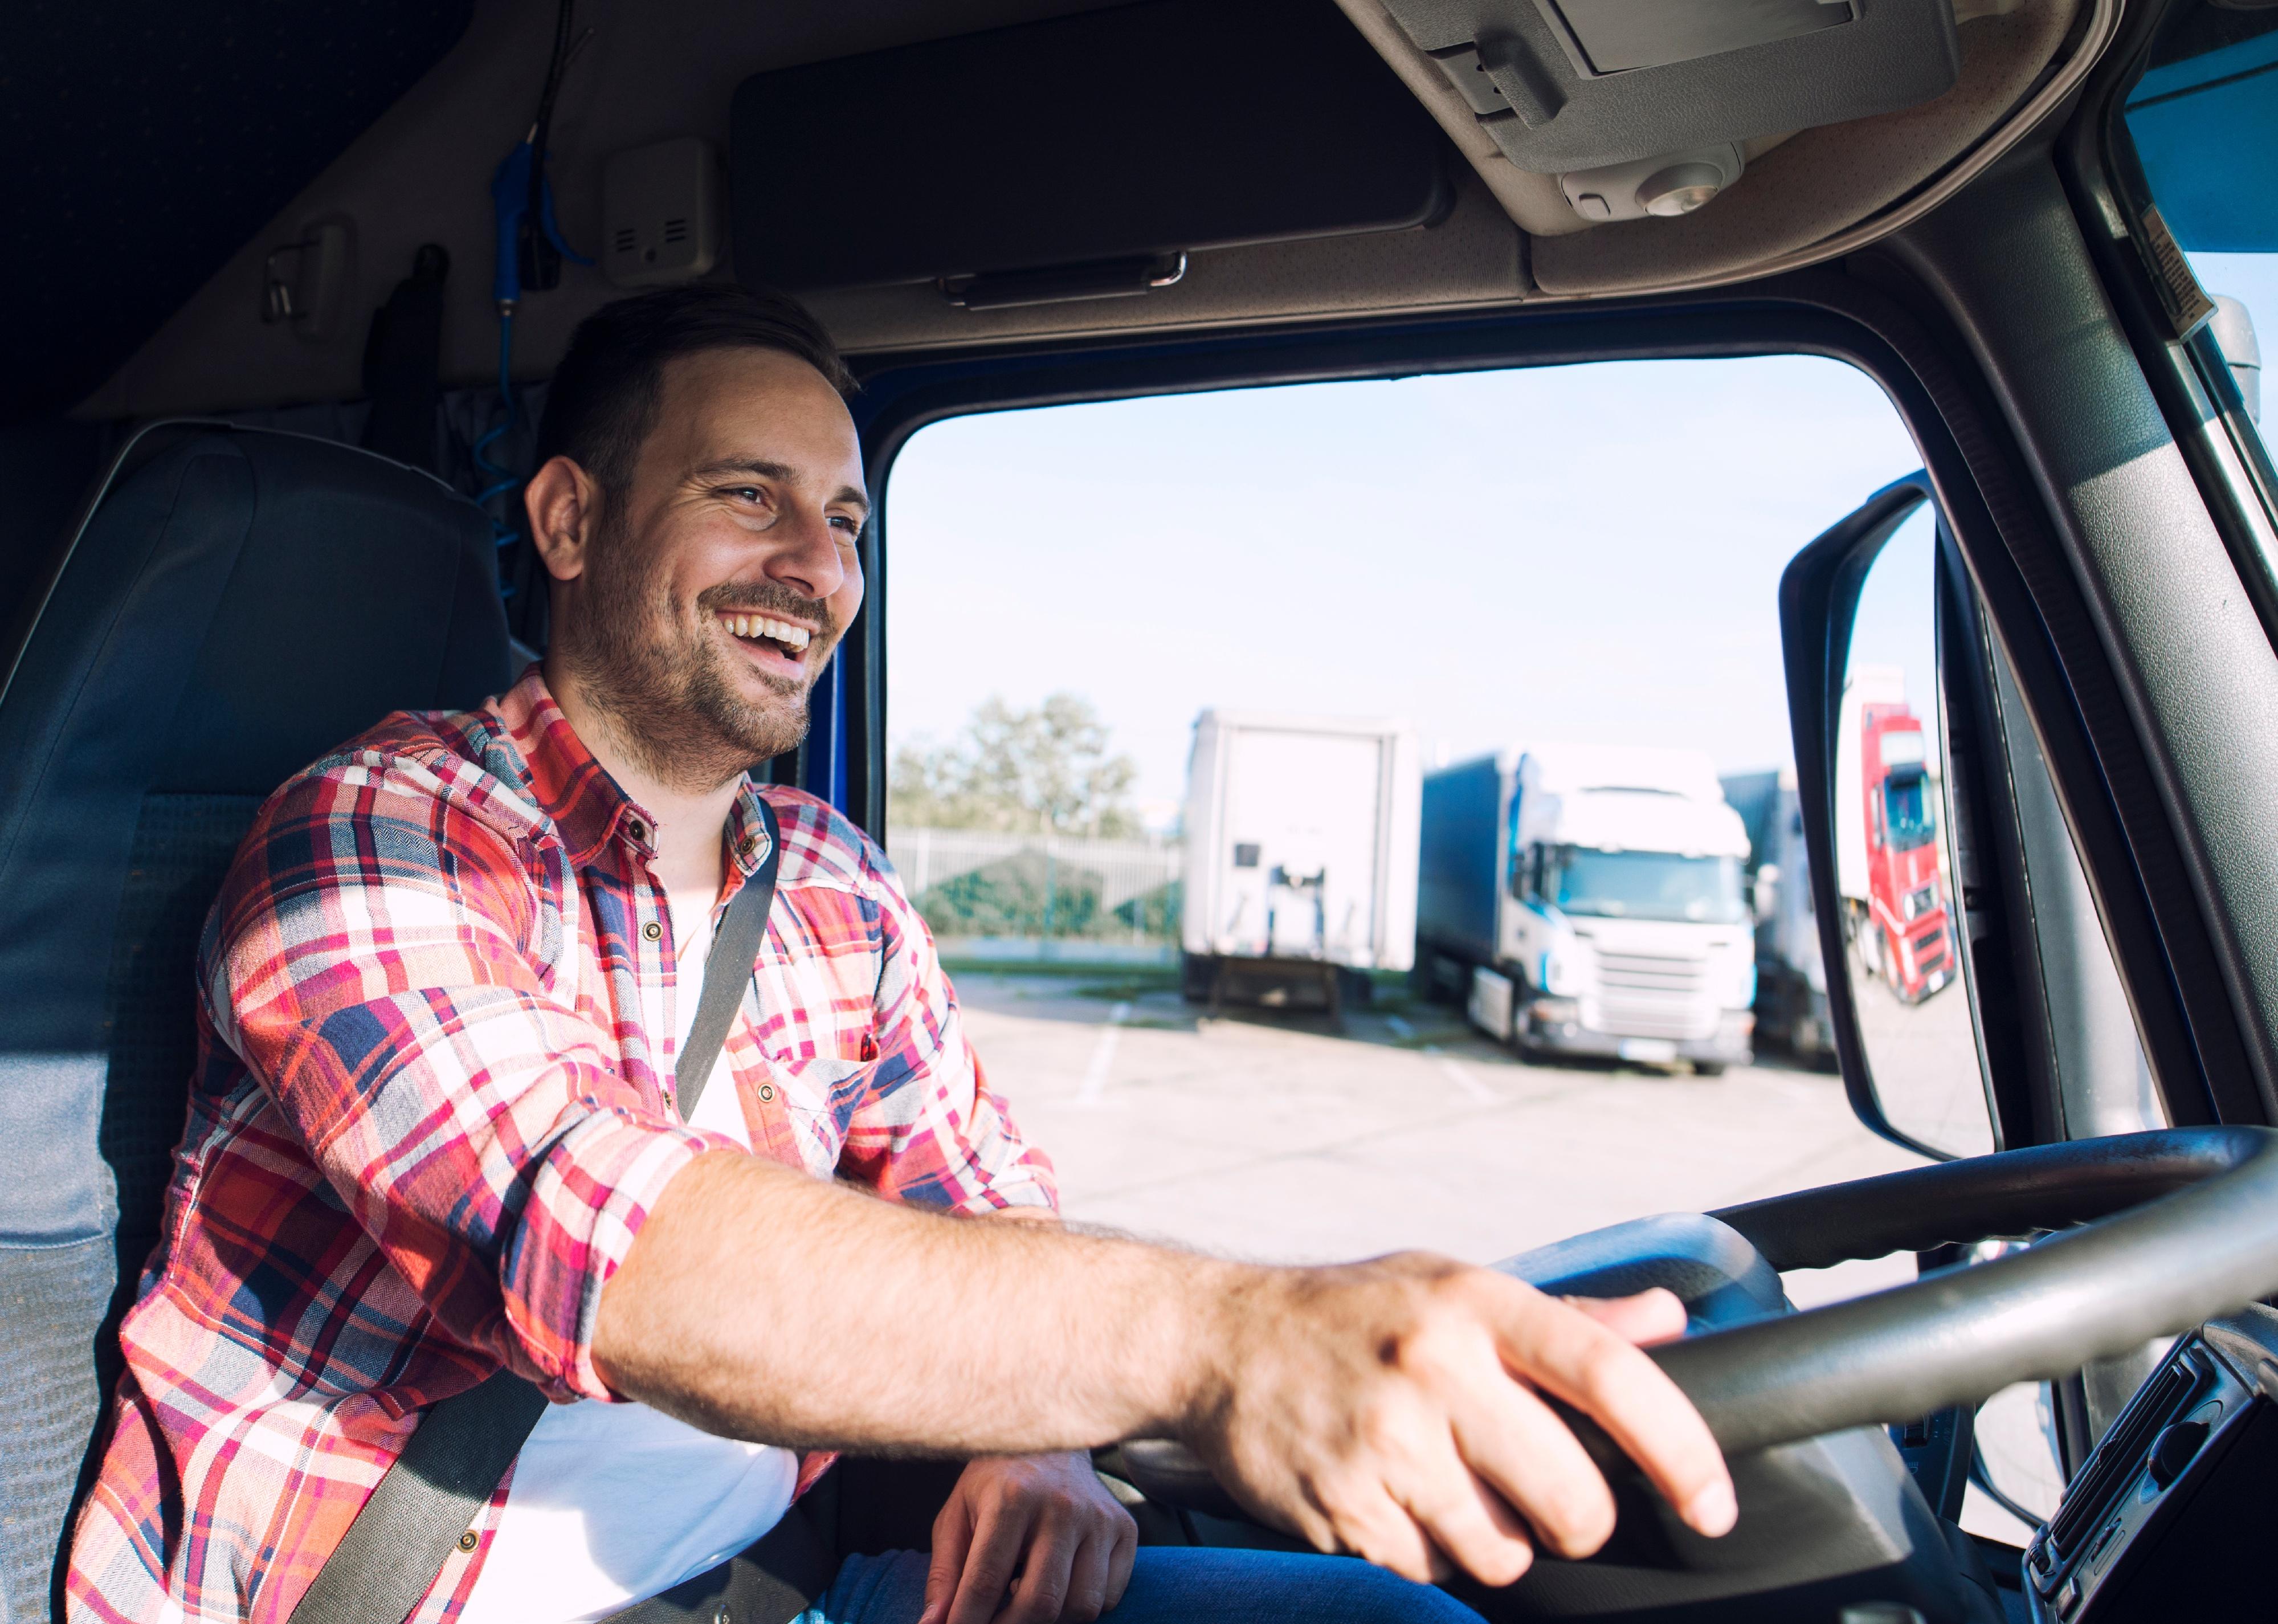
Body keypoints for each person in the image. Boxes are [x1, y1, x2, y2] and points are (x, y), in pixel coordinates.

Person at [65, 285, 1734, 1624]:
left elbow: (977, 1191)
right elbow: (601, 1243)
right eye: (749, 499)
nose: (819, 569)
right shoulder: (375, 830)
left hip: (781, 1591)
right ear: (571, 520)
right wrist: (1231, 1338)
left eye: (849, 521)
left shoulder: (837, 890)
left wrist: (1045, 1438)